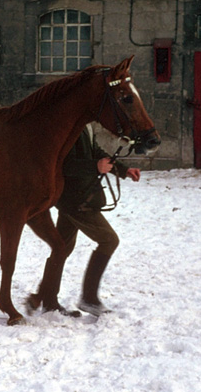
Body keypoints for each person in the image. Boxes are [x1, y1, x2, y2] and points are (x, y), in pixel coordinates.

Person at [32, 124, 141, 317]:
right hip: (77, 200)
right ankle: (89, 299)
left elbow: (95, 151)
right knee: (109, 240)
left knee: (62, 248)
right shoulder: (68, 126)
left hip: (77, 197)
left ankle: (47, 301)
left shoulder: (85, 125)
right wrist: (95, 167)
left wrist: (123, 170)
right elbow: (62, 164)